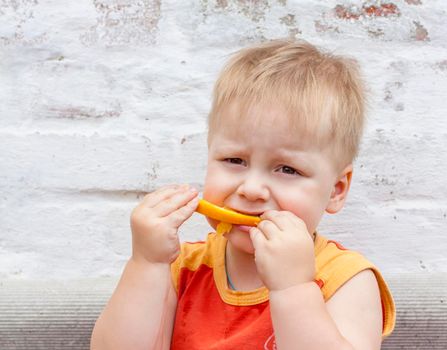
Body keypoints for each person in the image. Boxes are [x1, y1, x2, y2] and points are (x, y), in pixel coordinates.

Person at [91, 39, 396, 350]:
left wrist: (293, 289)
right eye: (234, 160)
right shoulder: (183, 267)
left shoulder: (345, 279)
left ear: (336, 190)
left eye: (287, 169)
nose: (251, 189)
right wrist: (146, 263)